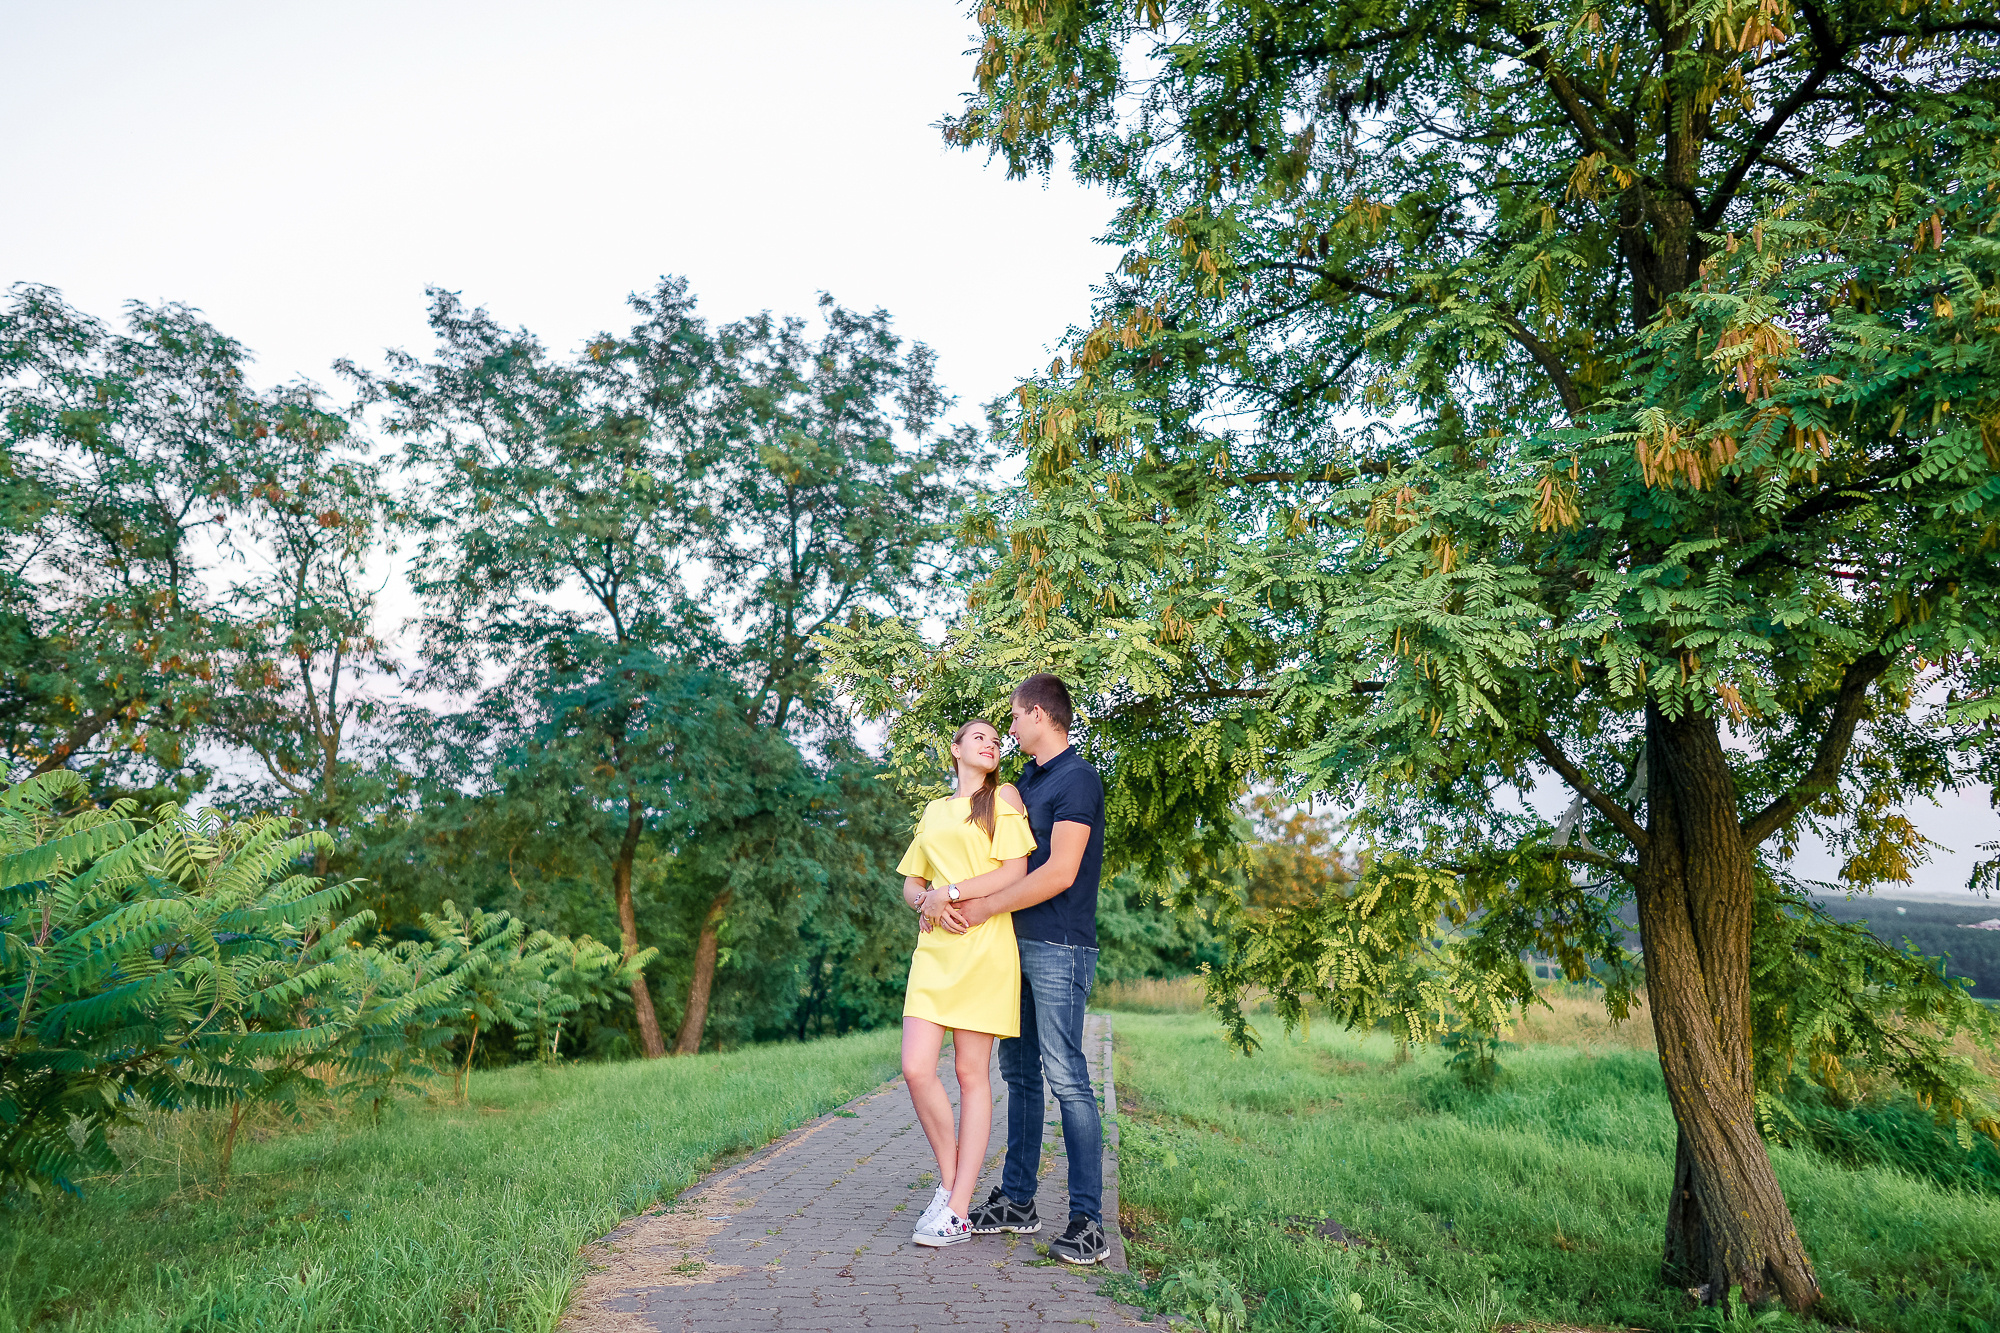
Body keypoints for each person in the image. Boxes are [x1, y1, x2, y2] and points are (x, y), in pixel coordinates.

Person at [933, 674, 1111, 1265]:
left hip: (1059, 946)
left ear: (1040, 715)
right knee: (1021, 1076)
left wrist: (979, 905)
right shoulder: (1023, 783)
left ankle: (1088, 1219)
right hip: (1010, 947)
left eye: (1014, 716)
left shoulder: (1077, 778)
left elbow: (1060, 871)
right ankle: (1017, 1200)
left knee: (1069, 1080)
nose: (1008, 728)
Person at [893, 718, 1036, 1247]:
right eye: (980, 736)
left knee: (971, 1073)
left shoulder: (1005, 800)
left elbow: (1015, 873)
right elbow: (912, 882)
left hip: (985, 947)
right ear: (955, 750)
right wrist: (924, 902)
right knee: (915, 1068)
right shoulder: (935, 811)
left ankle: (955, 1209)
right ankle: (952, 1185)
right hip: (935, 951)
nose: (992, 743)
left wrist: (948, 892)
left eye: (997, 739)